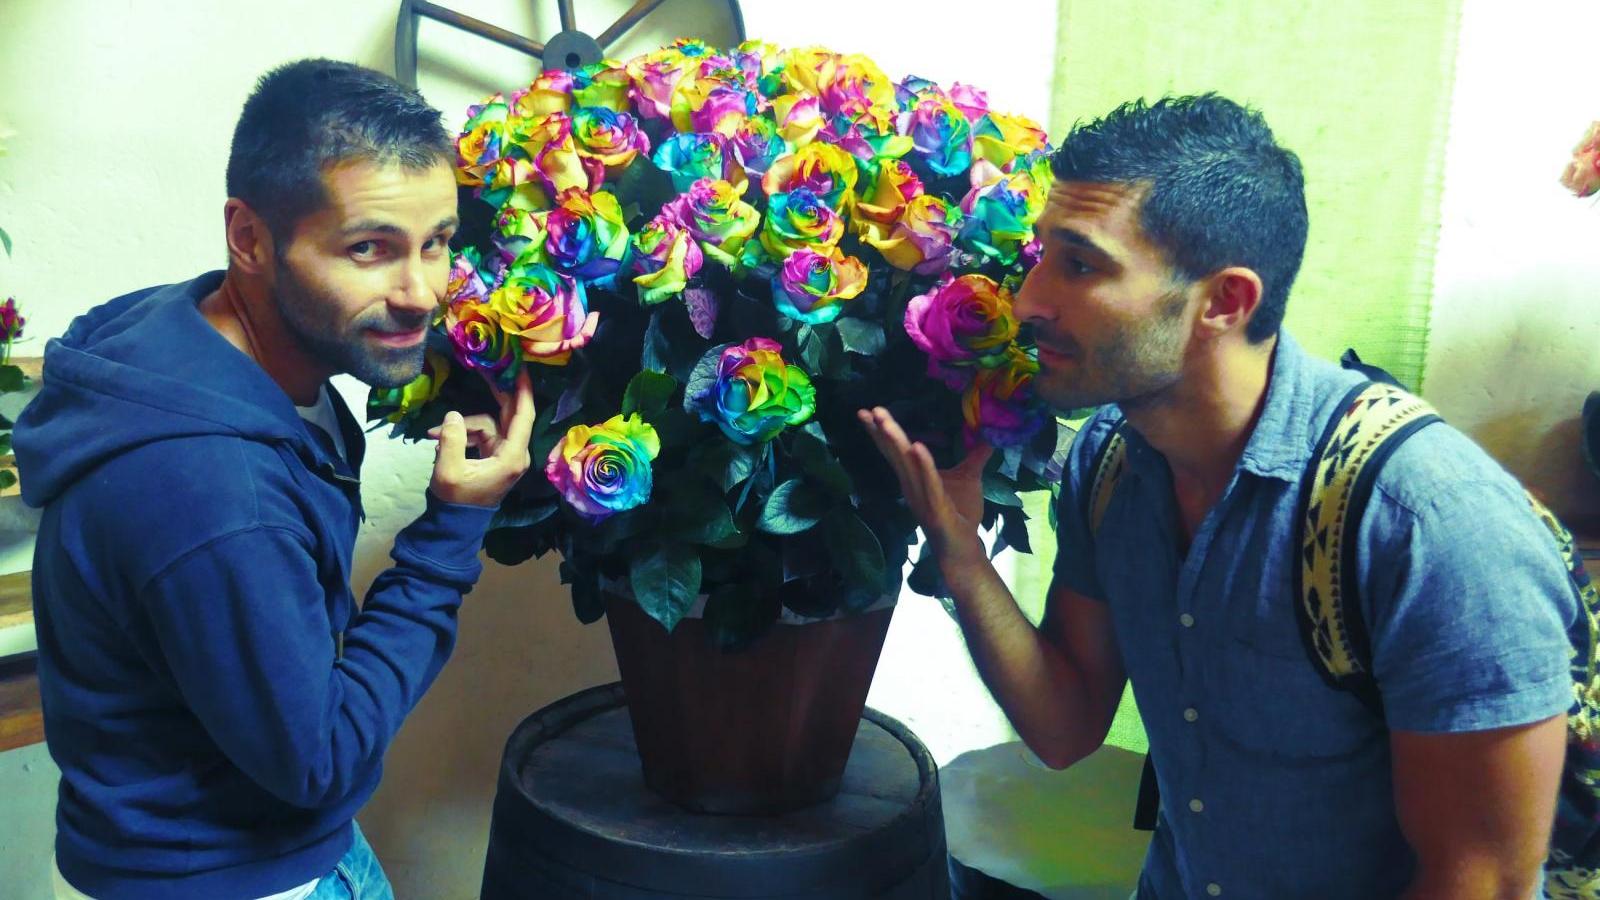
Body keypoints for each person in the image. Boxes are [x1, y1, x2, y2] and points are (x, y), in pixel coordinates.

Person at [860, 94, 1575, 899]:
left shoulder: (1425, 523)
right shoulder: (1112, 465)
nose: (1027, 303)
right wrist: (961, 556)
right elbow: (1064, 728)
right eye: (1041, 260)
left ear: (1225, 302)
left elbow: (1483, 881)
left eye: (1082, 264)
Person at [14, 58, 533, 899]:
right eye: (369, 249)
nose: (423, 292)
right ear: (249, 238)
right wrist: (449, 529)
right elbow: (318, 760)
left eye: (436, 242)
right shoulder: (216, 496)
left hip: (209, 845)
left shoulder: (187, 332)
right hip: (226, 879)